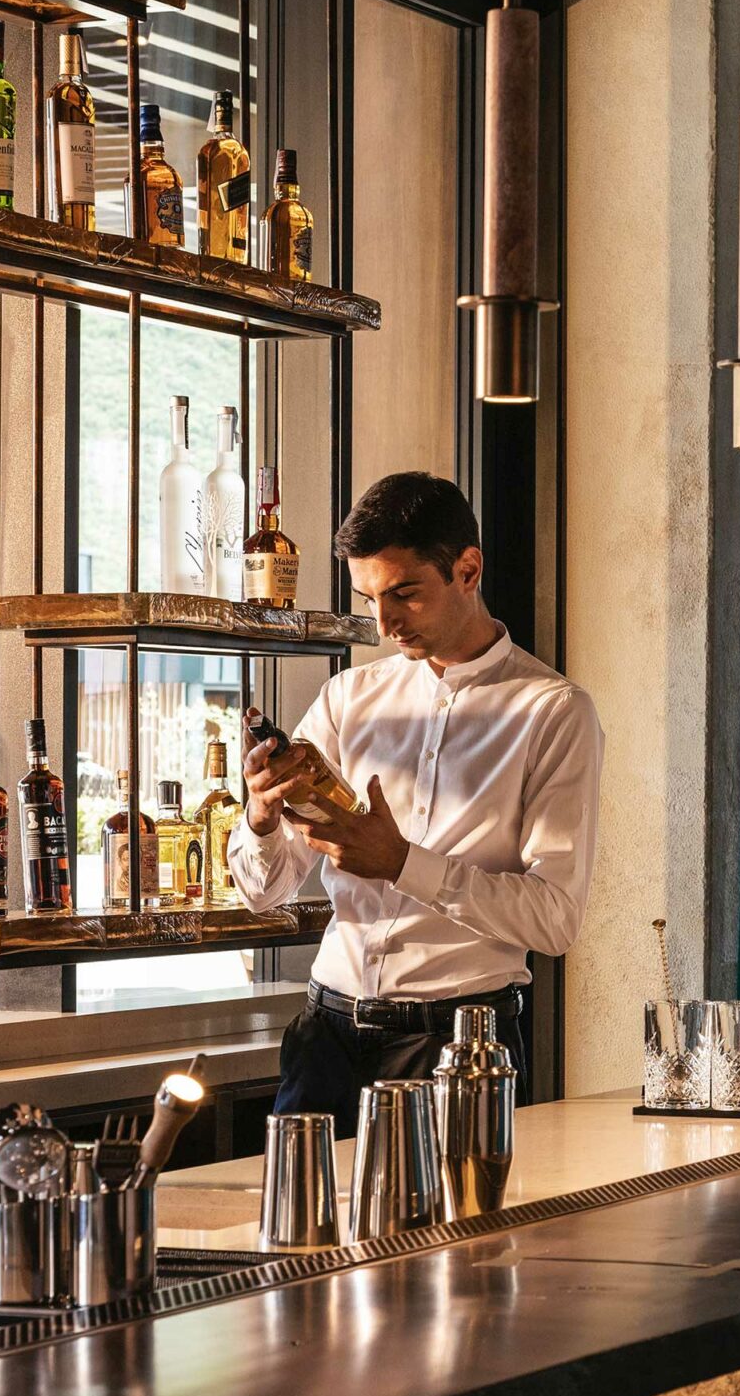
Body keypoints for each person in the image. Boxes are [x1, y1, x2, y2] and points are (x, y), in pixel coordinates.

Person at [227, 472, 603, 1134]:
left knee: (453, 1241)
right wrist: (260, 815)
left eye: (404, 593)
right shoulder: (349, 698)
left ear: (468, 569)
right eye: (369, 597)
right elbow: (261, 890)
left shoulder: (553, 712)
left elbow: (555, 919)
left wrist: (403, 863)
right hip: (325, 1038)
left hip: (457, 1047)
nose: (385, 621)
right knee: (296, 1238)